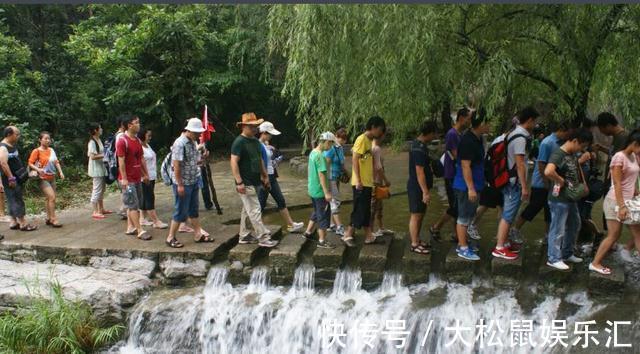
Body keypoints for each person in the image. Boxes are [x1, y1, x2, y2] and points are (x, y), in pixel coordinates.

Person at [508, 122, 572, 244]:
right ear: (562, 129)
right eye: (567, 133)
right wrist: (545, 182)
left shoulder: (560, 143)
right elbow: (541, 163)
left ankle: (548, 235)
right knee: (533, 207)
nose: (567, 136)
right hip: (541, 183)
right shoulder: (547, 142)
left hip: (552, 182)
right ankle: (515, 229)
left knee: (549, 209)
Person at [491, 106, 539, 260]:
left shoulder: (514, 133)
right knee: (509, 215)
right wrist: (525, 186)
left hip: (510, 180)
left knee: (508, 212)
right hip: (514, 182)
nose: (536, 125)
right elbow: (519, 163)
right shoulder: (520, 137)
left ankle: (504, 243)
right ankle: (499, 247)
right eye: (535, 121)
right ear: (530, 120)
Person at [589, 130, 640, 274]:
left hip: (629, 202)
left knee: (637, 233)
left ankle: (624, 251)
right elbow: (617, 183)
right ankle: (595, 263)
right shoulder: (619, 157)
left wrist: (635, 191)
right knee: (614, 235)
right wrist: (622, 206)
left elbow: (629, 180)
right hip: (615, 202)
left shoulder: (634, 157)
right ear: (635, 144)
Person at [544, 128, 593, 270]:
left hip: (570, 199)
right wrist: (560, 180)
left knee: (574, 224)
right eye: (582, 146)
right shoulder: (559, 153)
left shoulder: (571, 154)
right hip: (559, 199)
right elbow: (548, 171)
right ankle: (553, 258)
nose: (582, 149)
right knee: (558, 228)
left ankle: (566, 253)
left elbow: (574, 170)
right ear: (575, 141)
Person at [230, 113, 278, 248]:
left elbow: (260, 159)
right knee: (255, 209)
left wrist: (265, 176)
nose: (255, 129)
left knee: (247, 209)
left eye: (256, 126)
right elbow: (233, 162)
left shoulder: (255, 141)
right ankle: (263, 237)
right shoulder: (239, 142)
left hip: (256, 180)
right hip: (245, 182)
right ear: (244, 126)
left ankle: (244, 235)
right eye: (252, 127)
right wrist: (239, 181)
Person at [594, 112, 635, 260]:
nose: (601, 132)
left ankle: (613, 246)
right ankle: (612, 245)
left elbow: (621, 161)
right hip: (613, 186)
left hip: (617, 186)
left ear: (609, 126)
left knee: (617, 219)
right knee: (613, 220)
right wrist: (603, 149)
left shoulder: (624, 138)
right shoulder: (617, 138)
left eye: (601, 129)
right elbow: (615, 156)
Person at [341, 116, 387, 247]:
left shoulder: (368, 141)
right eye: (380, 129)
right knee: (359, 209)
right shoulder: (361, 139)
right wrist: (359, 180)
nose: (380, 133)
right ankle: (348, 234)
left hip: (367, 182)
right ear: (373, 127)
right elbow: (355, 159)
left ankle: (369, 236)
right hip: (360, 183)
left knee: (365, 210)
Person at [165, 118, 211, 248]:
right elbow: (176, 165)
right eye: (196, 132)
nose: (198, 135)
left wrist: (203, 158)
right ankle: (170, 237)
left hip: (193, 179)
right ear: (189, 130)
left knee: (193, 209)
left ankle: (198, 234)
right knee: (181, 210)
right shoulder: (179, 143)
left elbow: (193, 161)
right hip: (183, 182)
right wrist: (179, 184)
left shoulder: (193, 142)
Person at [430, 108, 472, 241]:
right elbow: (457, 156)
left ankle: (456, 234)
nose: (470, 121)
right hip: (451, 175)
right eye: (468, 118)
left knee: (457, 205)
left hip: (456, 174)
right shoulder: (452, 134)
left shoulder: (459, 134)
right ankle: (436, 227)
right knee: (455, 206)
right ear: (461, 118)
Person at [454, 109, 490, 260]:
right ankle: (462, 248)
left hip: (475, 184)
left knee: (469, 216)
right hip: (465, 186)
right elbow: (465, 165)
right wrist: (470, 188)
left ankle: (464, 243)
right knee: (463, 217)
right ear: (481, 124)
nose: (490, 125)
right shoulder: (468, 140)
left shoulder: (477, 138)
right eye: (488, 122)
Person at [257, 121, 304, 233]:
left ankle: (290, 224)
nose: (271, 136)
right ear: (264, 132)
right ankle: (258, 228)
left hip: (271, 176)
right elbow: (259, 163)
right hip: (265, 177)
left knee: (280, 200)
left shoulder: (266, 145)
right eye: (269, 134)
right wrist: (264, 177)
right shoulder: (258, 145)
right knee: (260, 204)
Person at [116, 115, 151, 241]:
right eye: (136, 122)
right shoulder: (122, 141)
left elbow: (140, 159)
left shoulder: (136, 140)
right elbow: (121, 161)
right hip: (128, 179)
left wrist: (145, 174)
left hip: (137, 178)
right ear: (130, 125)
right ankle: (140, 230)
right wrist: (124, 179)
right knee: (133, 205)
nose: (139, 125)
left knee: (137, 203)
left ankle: (130, 227)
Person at [301, 132, 338, 249]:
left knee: (317, 211)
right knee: (323, 215)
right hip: (320, 191)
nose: (331, 147)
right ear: (327, 142)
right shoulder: (320, 156)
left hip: (312, 189)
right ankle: (322, 241)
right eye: (331, 144)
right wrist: (327, 192)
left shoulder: (313, 153)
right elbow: (321, 175)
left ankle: (307, 233)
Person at [407, 121, 437, 255]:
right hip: (417, 187)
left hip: (420, 187)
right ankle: (414, 244)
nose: (434, 136)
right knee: (416, 215)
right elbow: (419, 171)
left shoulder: (419, 145)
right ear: (429, 133)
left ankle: (417, 239)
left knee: (420, 214)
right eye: (434, 133)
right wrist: (425, 192)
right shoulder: (418, 148)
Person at [0, 126, 36, 231]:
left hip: (17, 177)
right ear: (9, 135)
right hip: (11, 179)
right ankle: (23, 224)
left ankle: (13, 222)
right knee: (17, 199)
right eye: (16, 134)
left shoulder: (11, 145)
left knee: (12, 199)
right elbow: (3, 163)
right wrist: (11, 178)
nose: (18, 136)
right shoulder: (3, 147)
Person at [28, 131, 65, 227]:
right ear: (40, 140)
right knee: (52, 197)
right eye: (45, 138)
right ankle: (54, 219)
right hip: (42, 178)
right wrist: (38, 169)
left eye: (49, 138)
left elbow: (56, 162)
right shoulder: (36, 151)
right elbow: (30, 163)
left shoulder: (51, 150)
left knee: (49, 198)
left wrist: (60, 172)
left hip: (52, 177)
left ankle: (48, 218)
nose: (48, 140)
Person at [137, 128, 168, 229]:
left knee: (145, 198)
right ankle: (156, 221)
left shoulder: (147, 145)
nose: (150, 137)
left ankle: (142, 218)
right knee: (149, 197)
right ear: (143, 135)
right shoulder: (139, 147)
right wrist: (144, 175)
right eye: (148, 135)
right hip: (146, 177)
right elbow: (139, 163)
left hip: (151, 175)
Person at [324, 128, 349, 236]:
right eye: (341, 139)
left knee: (333, 201)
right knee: (335, 201)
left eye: (344, 139)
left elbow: (342, 163)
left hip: (337, 177)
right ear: (336, 137)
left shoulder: (340, 148)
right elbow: (326, 164)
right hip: (331, 178)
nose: (342, 141)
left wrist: (347, 173)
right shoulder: (331, 148)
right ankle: (339, 226)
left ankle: (331, 225)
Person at [87, 123, 112, 219]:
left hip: (101, 167)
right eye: (100, 128)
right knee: (97, 189)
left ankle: (101, 209)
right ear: (95, 130)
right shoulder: (92, 142)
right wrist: (105, 155)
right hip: (96, 169)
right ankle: (95, 211)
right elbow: (92, 156)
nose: (101, 129)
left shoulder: (98, 140)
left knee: (102, 189)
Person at [371, 131, 393, 238]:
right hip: (376, 182)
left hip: (374, 181)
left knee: (378, 206)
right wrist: (386, 180)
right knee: (374, 206)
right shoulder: (377, 149)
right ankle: (371, 231)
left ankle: (380, 228)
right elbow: (379, 167)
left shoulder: (371, 147)